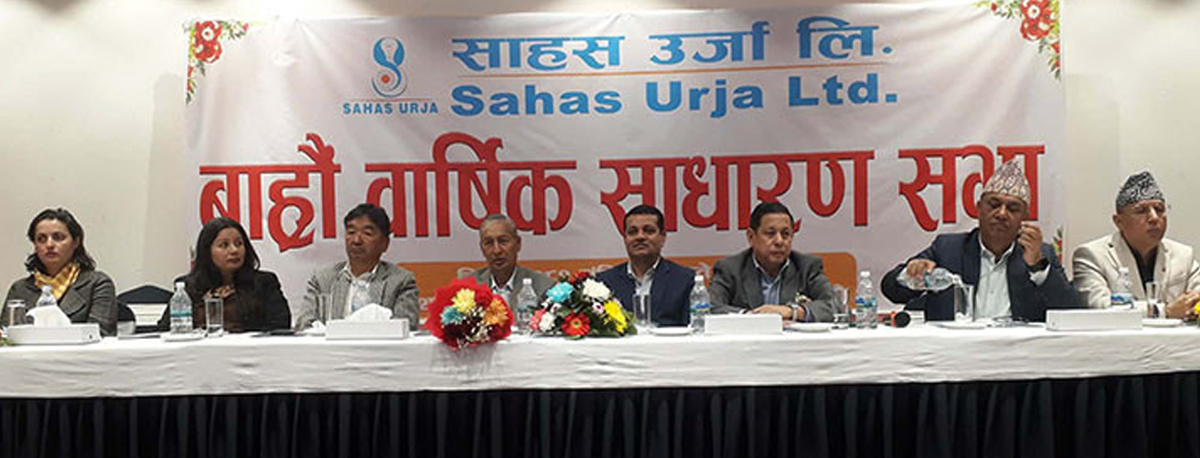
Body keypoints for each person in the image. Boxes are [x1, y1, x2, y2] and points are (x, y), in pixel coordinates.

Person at [881, 160, 1080, 321]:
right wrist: (911, 275)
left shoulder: (1039, 254)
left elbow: (1072, 312)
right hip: (956, 352)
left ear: (1024, 217)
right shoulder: (948, 249)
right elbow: (890, 289)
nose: (1002, 214)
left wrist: (1037, 266)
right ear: (978, 208)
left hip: (1017, 353)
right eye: (994, 204)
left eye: (1013, 208)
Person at [1072, 171, 1200, 318]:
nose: (1154, 218)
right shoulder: (1092, 256)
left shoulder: (1183, 255)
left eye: (1159, 209)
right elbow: (1100, 307)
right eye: (1141, 211)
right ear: (1119, 221)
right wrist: (1165, 312)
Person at [293, 203, 419, 331]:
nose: (356, 240)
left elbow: (406, 327)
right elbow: (304, 325)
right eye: (351, 232)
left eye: (367, 233)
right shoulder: (322, 278)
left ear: (385, 243)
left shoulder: (401, 281)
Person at [709, 201, 837, 322]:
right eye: (770, 234)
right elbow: (709, 307)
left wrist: (792, 311)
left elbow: (834, 306)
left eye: (785, 234)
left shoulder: (807, 267)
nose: (779, 241)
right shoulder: (730, 269)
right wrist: (752, 317)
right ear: (751, 237)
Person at [158, 217, 290, 333]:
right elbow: (165, 328)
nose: (234, 250)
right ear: (207, 251)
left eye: (239, 243)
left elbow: (281, 325)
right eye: (224, 245)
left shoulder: (263, 282)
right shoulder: (188, 286)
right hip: (197, 351)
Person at [5, 208, 117, 335]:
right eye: (41, 239)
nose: (49, 244)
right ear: (35, 246)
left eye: (58, 237)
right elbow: (6, 336)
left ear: (76, 242)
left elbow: (100, 335)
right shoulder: (19, 289)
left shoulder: (97, 284)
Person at [596, 205, 694, 326]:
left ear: (662, 237)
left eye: (649, 231)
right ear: (625, 238)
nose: (640, 236)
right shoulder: (605, 282)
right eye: (632, 232)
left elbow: (695, 329)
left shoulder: (684, 279)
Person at [463, 214, 553, 301]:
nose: (497, 250)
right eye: (489, 243)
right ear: (481, 248)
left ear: (518, 243)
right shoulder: (467, 287)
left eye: (503, 241)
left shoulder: (543, 287)